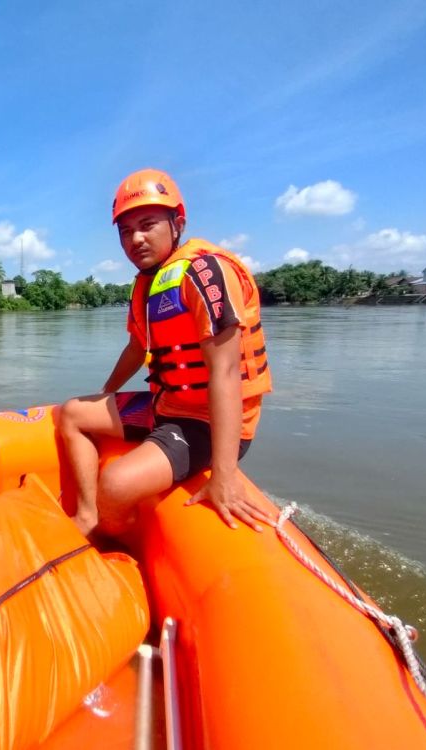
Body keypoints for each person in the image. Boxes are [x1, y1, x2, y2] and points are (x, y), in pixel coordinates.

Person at [58, 168, 272, 537]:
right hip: (167, 404)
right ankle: (89, 517)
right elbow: (137, 347)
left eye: (147, 225)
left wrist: (224, 475)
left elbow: (224, 373)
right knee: (72, 413)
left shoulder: (205, 274)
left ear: (178, 223)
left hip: (208, 422)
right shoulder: (148, 284)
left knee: (115, 483)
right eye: (125, 231)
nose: (135, 239)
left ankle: (124, 545)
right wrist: (107, 394)